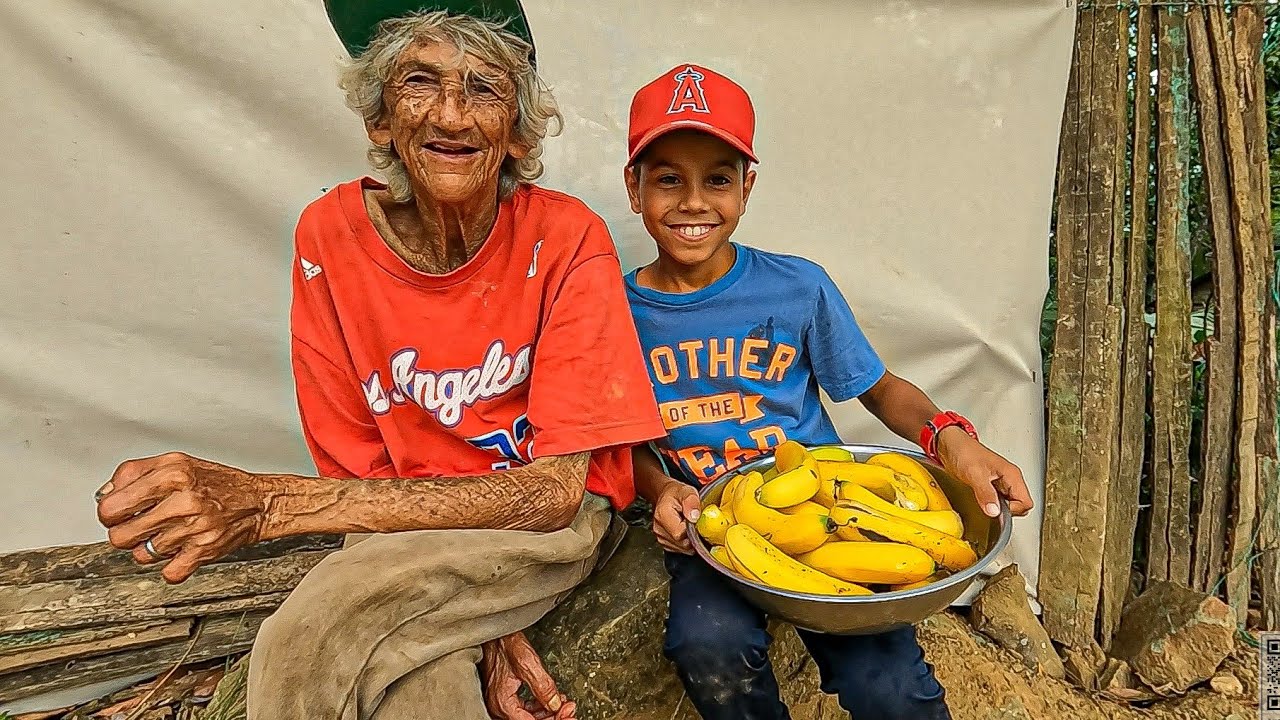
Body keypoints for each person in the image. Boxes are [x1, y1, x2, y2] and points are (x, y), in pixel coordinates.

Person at [93, 5, 667, 719]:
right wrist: (476, 613)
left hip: (550, 531)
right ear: (380, 120)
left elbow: (552, 495)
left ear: (518, 134)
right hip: (407, 535)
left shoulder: (567, 237)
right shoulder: (327, 238)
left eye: (483, 90)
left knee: (307, 634)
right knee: (418, 692)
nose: (452, 117)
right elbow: (356, 468)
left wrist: (269, 503)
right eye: (419, 82)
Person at [621, 64, 1036, 720]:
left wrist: (952, 439)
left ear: (747, 187)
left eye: (718, 179)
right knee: (708, 647)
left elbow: (878, 390)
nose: (693, 201)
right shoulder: (614, 313)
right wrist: (660, 489)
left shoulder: (797, 288)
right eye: (668, 178)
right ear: (633, 186)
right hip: (716, 525)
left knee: (890, 688)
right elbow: (619, 442)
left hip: (830, 505)